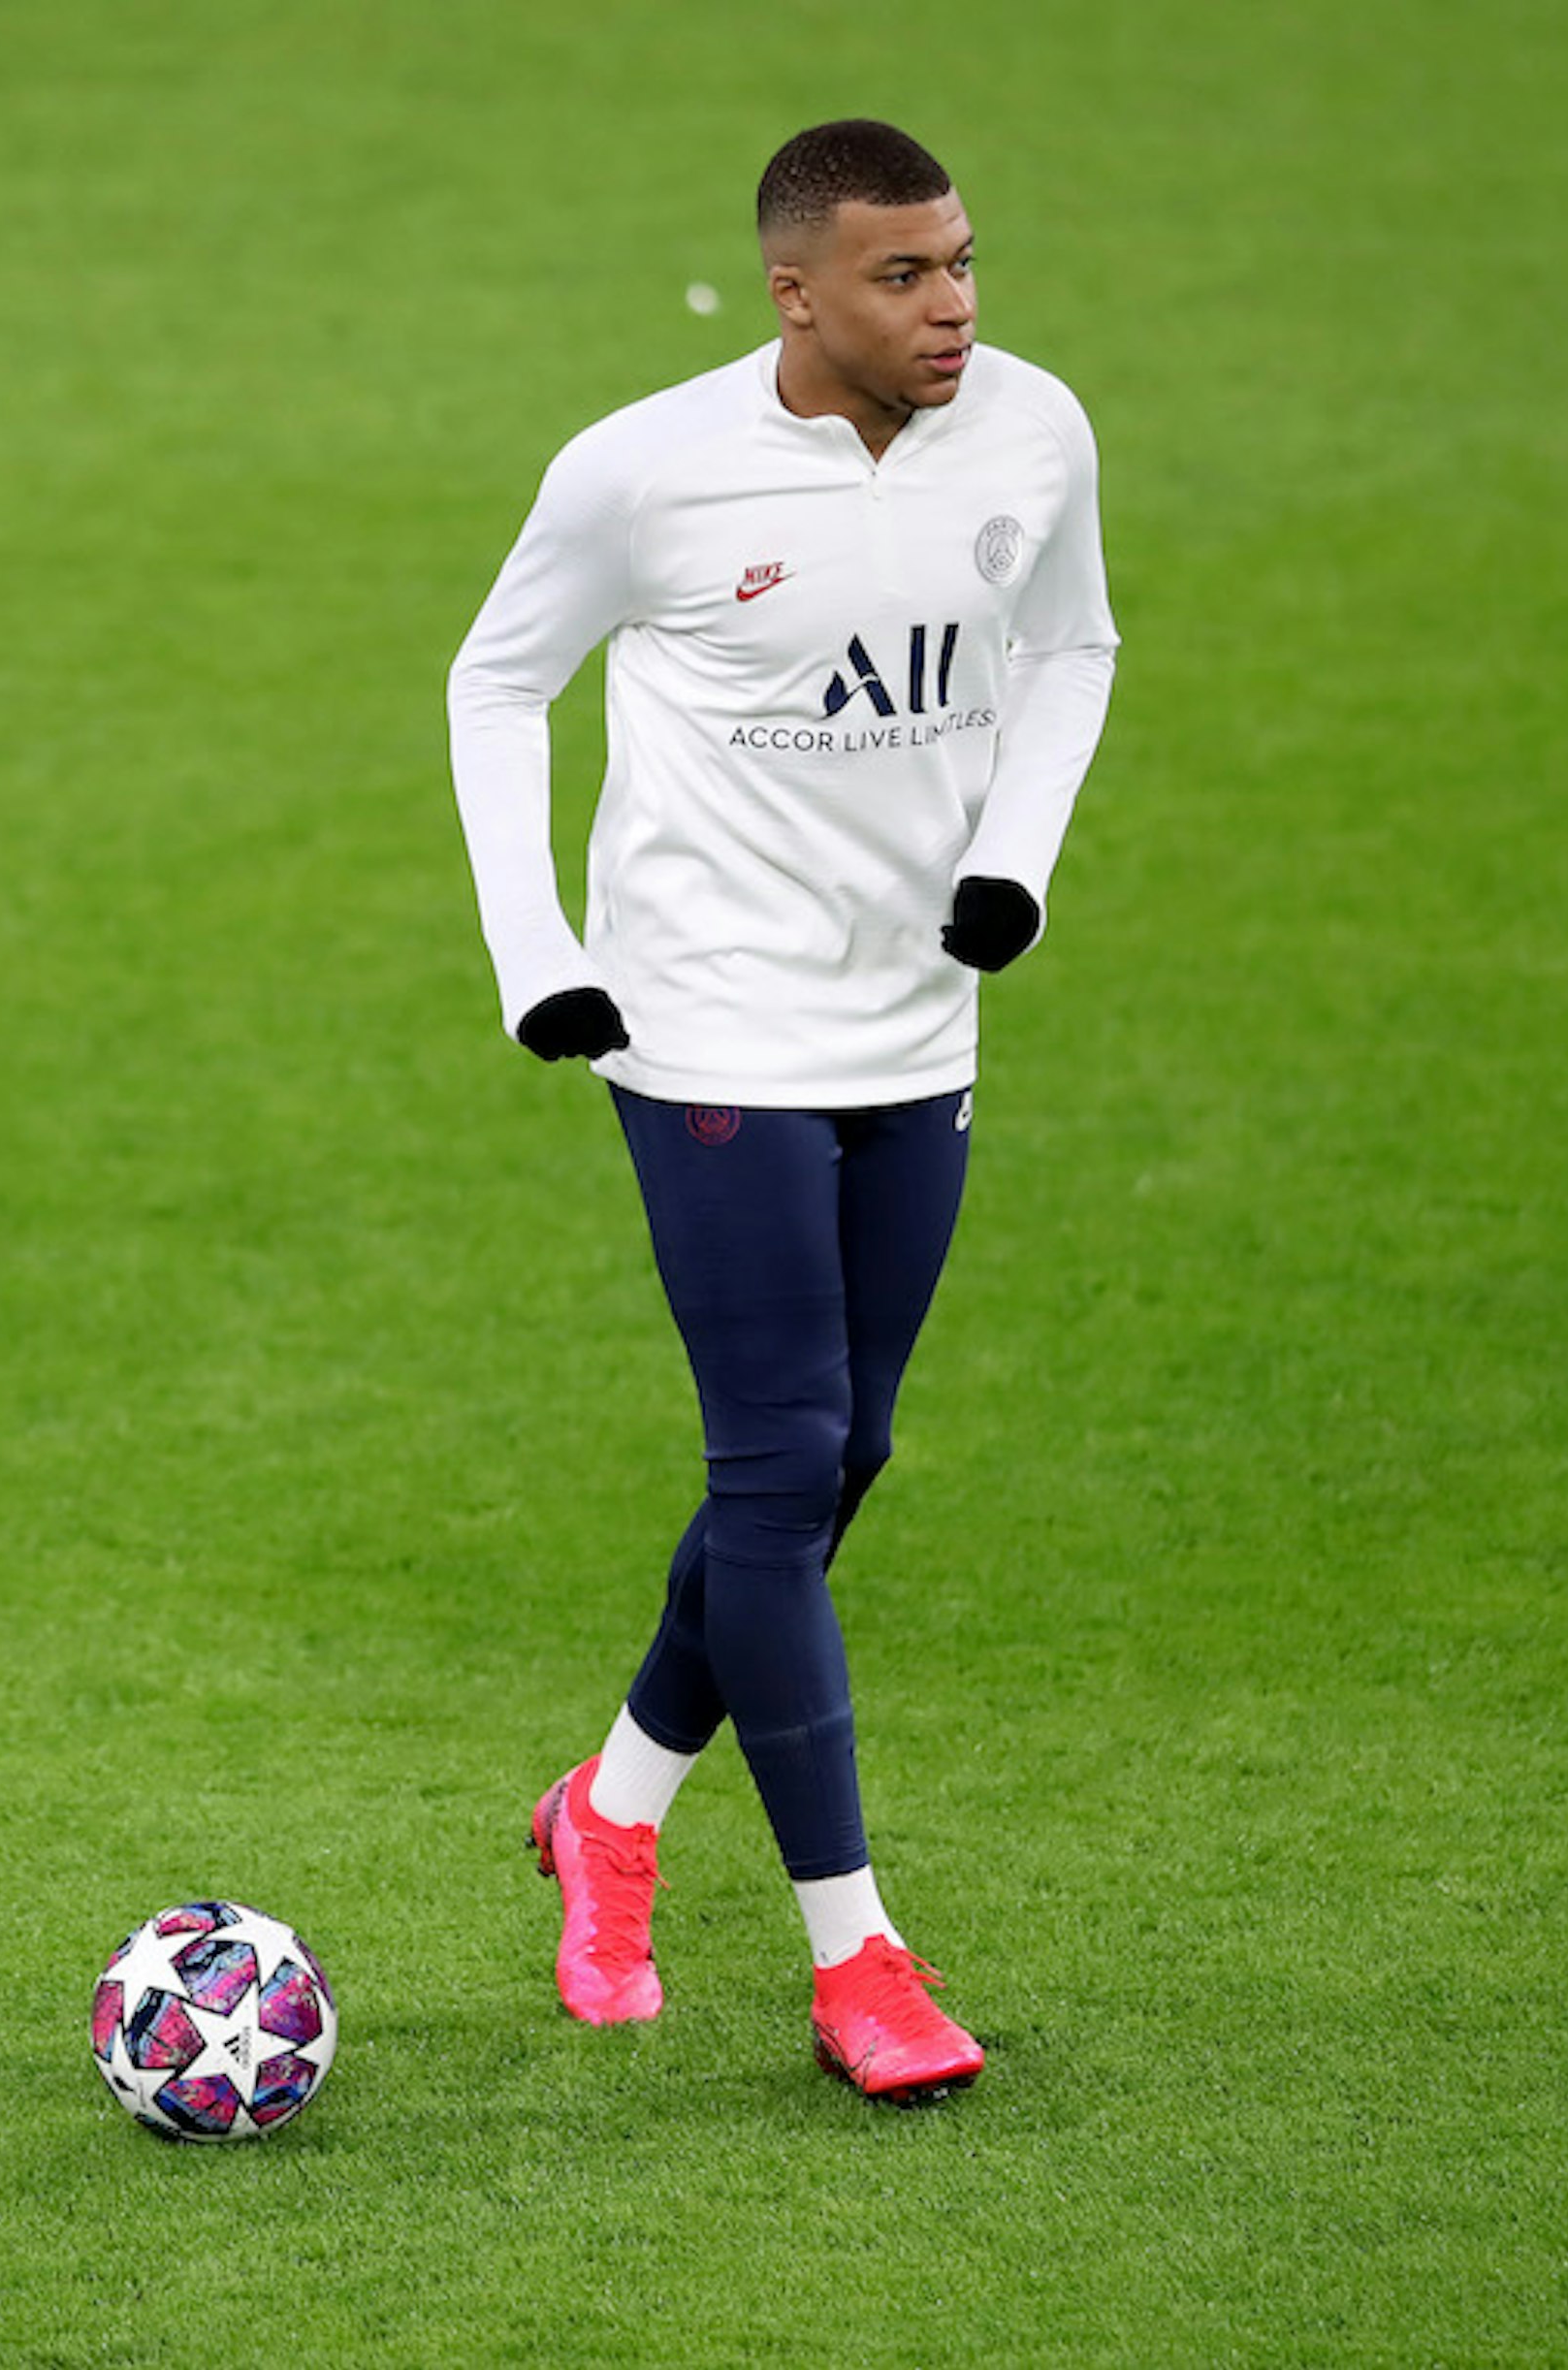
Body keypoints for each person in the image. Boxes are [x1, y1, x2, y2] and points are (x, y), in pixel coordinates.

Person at [443, 120, 1116, 2102]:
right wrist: (539, 956)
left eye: (969, 263)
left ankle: (613, 1802)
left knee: (846, 1455)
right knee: (778, 1458)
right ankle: (858, 1954)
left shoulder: (1034, 433)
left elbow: (1072, 646)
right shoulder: (644, 467)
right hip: (706, 1018)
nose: (957, 307)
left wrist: (1017, 859)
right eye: (908, 276)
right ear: (795, 293)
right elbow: (498, 684)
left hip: (917, 1023)